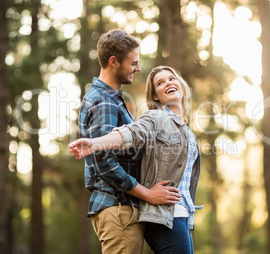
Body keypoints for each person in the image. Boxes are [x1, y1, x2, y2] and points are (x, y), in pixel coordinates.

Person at [69, 66, 202, 254]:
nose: (168, 83)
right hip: (165, 216)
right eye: (160, 83)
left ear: (181, 84)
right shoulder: (155, 117)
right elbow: (130, 133)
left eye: (171, 79)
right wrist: (95, 143)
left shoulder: (186, 131)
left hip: (182, 217)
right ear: (155, 97)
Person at [75, 30, 181, 254]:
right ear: (114, 62)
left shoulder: (112, 99)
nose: (138, 68)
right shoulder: (104, 100)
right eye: (133, 63)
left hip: (121, 208)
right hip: (118, 208)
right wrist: (148, 194)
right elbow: (104, 162)